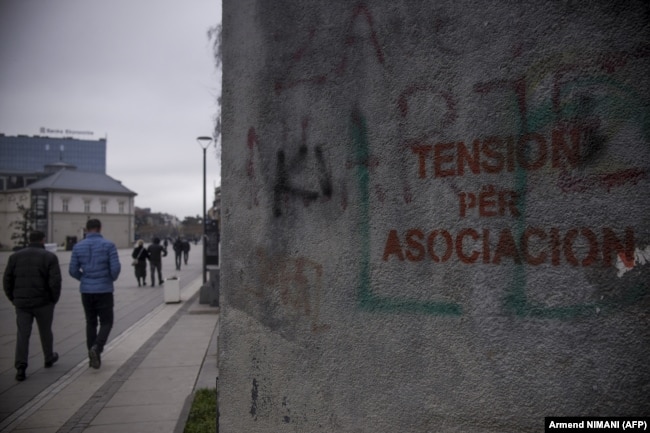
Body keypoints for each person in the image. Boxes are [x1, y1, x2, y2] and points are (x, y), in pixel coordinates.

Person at [3, 231, 62, 381]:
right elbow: (55, 282)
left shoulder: (15, 256)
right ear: (43, 240)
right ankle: (48, 357)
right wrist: (53, 299)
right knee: (45, 331)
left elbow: (7, 280)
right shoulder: (49, 257)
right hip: (44, 302)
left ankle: (21, 367)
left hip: (22, 303)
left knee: (23, 334)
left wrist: (14, 298)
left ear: (30, 240)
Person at [69, 219, 120, 370]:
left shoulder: (78, 246)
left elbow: (72, 270)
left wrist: (84, 279)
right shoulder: (109, 245)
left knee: (90, 322)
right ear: (100, 228)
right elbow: (115, 269)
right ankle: (97, 348)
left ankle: (92, 355)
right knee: (107, 322)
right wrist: (109, 279)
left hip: (86, 290)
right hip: (104, 289)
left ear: (86, 229)